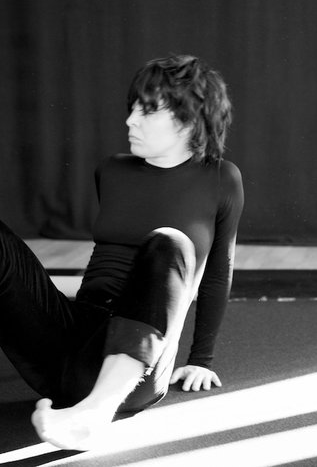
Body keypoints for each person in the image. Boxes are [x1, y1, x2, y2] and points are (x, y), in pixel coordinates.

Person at [0, 54, 244, 451]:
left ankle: (94, 413)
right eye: (132, 108)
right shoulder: (112, 170)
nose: (130, 120)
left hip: (138, 373)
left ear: (189, 119)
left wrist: (201, 359)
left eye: (147, 111)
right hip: (70, 349)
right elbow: (108, 261)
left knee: (170, 242)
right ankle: (85, 404)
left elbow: (217, 272)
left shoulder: (221, 179)